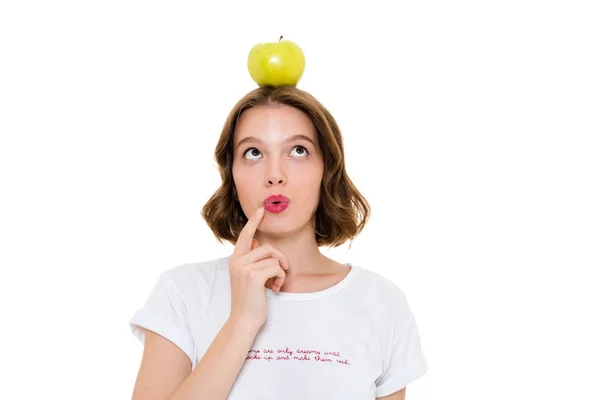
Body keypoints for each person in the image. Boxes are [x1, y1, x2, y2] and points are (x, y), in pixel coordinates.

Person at [128, 85, 428, 399]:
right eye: (253, 153)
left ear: (326, 168)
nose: (275, 175)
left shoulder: (380, 302)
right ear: (232, 175)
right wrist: (243, 320)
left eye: (298, 150)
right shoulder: (183, 292)